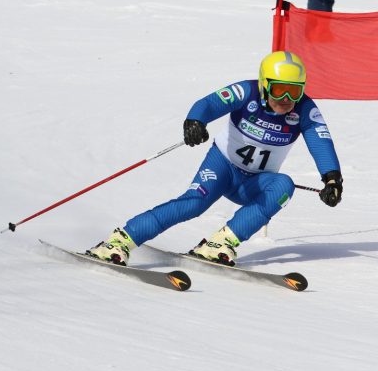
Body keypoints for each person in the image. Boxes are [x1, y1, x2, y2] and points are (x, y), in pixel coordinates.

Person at [86, 50, 343, 267]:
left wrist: (332, 178)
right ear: (264, 85)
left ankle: (221, 242)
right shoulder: (247, 91)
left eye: (294, 92)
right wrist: (195, 121)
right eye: (279, 90)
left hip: (255, 183)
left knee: (283, 185)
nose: (286, 100)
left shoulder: (305, 109)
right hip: (223, 168)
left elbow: (320, 140)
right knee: (193, 204)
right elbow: (209, 103)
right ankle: (120, 241)